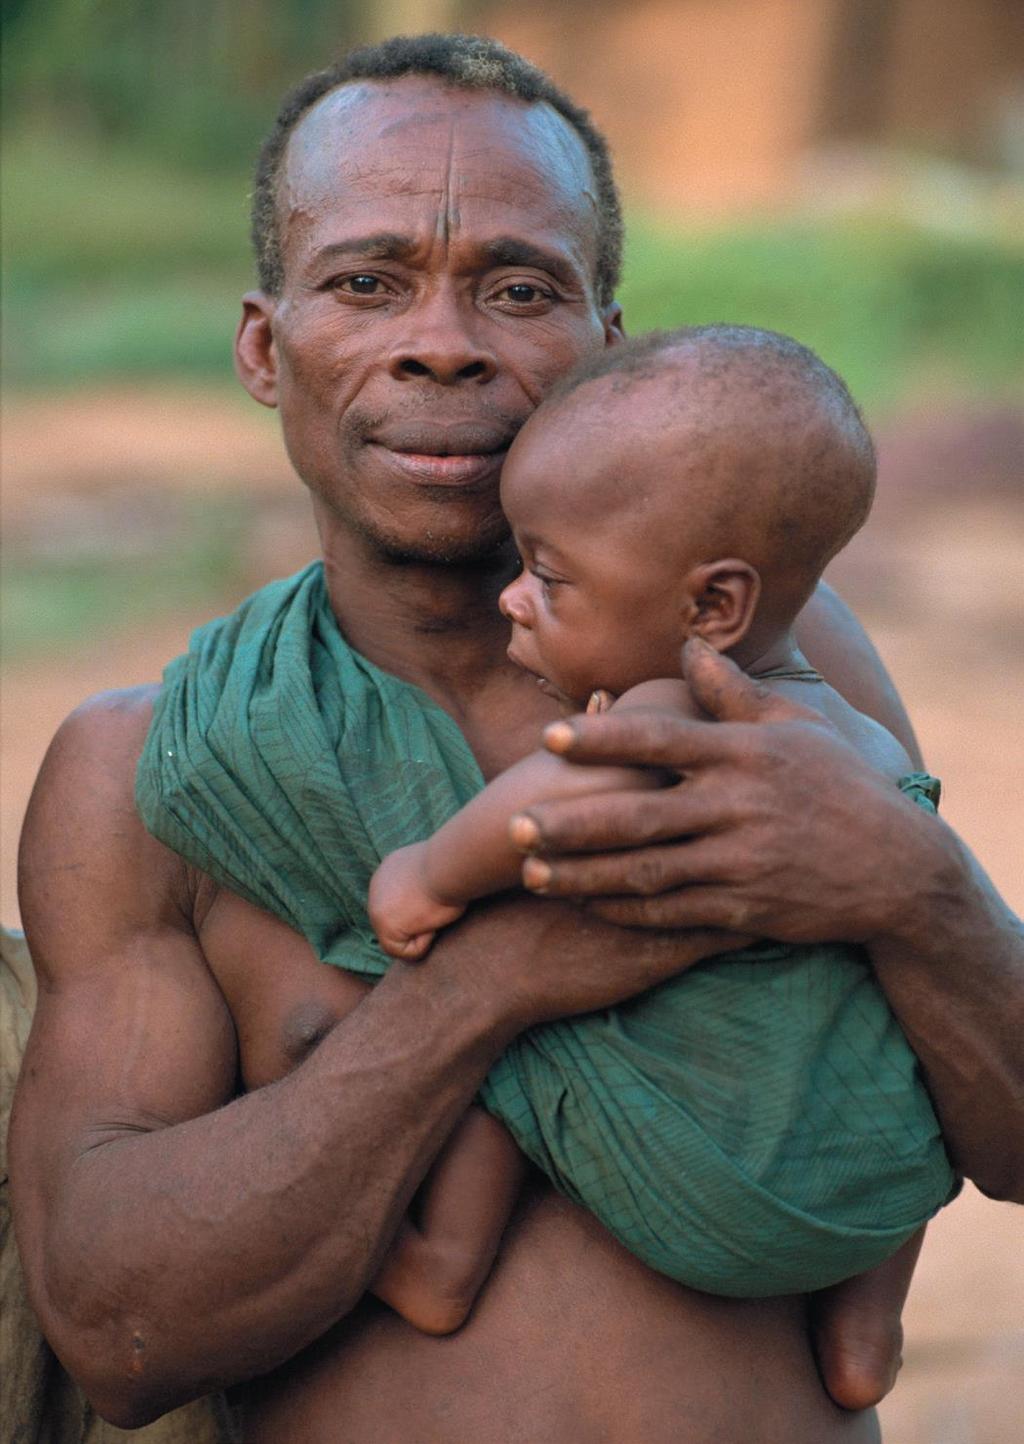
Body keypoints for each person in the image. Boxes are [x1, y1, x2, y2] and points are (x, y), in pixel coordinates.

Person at [9, 34, 1023, 1444]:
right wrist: (485, 987)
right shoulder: (156, 774)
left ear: (607, 344)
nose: (441, 339)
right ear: (264, 346)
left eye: (519, 288)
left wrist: (914, 888)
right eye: (368, 283)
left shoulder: (765, 662)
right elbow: (118, 1327)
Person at [360, 323, 955, 1334]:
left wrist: (429, 875)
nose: (512, 593)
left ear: (713, 606)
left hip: (730, 1194)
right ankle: (864, 1328)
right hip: (879, 1181)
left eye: (548, 575)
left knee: (511, 1015)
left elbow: (542, 803)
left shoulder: (680, 717)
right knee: (891, 1022)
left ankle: (440, 1264)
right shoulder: (866, 744)